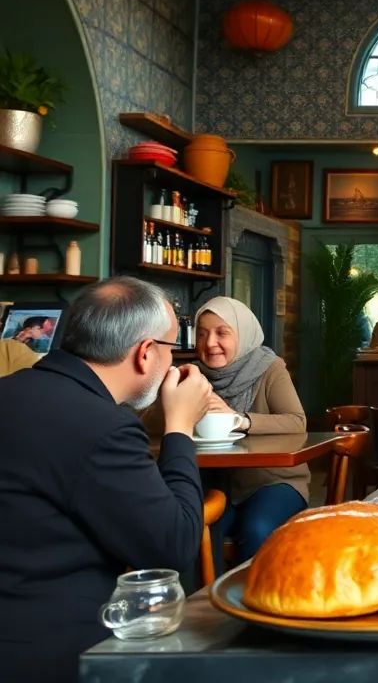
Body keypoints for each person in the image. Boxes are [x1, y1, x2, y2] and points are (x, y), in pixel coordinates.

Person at [0, 277, 211, 683]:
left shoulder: (13, 391)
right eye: (171, 348)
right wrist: (180, 426)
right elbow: (174, 546)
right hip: (58, 652)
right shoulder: (105, 428)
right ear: (146, 353)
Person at [141, 297, 308, 571]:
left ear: (242, 334)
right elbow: (147, 425)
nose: (209, 343)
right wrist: (172, 399)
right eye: (202, 333)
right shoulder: (192, 375)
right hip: (217, 482)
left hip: (273, 480)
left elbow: (296, 421)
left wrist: (239, 420)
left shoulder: (270, 369)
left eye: (222, 333)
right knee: (198, 529)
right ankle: (204, 606)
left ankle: (249, 607)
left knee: (257, 528)